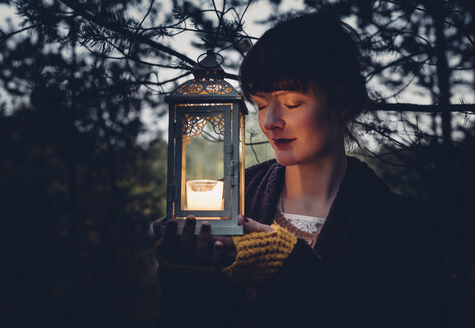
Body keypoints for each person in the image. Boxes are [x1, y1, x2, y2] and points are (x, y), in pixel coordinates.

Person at [152, 12, 444, 328]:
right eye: (261, 105)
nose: (269, 122)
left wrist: (288, 269)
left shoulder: (401, 225)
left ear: (341, 100)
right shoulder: (225, 205)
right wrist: (189, 277)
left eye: (292, 103)